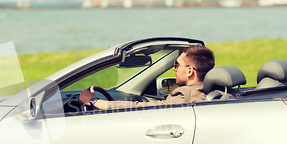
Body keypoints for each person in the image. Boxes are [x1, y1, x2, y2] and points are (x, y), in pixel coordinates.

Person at [78, 45, 215, 110]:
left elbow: (145, 107)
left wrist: (96, 101)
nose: (174, 68)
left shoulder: (186, 96)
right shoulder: (211, 91)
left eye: (177, 64)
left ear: (190, 71)